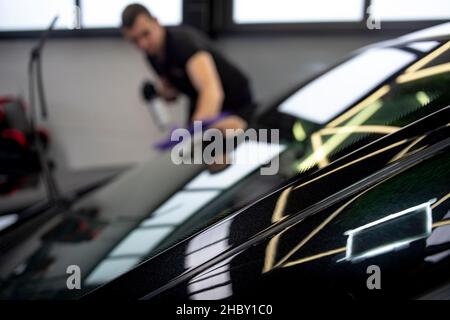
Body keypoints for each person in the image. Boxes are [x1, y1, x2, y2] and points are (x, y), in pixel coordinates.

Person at [121, 3, 255, 133]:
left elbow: (212, 92)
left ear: (156, 22)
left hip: (234, 101)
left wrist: (194, 134)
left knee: (207, 144)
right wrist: (158, 93)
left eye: (145, 34)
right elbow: (172, 91)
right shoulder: (152, 55)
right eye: (135, 40)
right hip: (198, 98)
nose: (143, 44)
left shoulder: (183, 44)